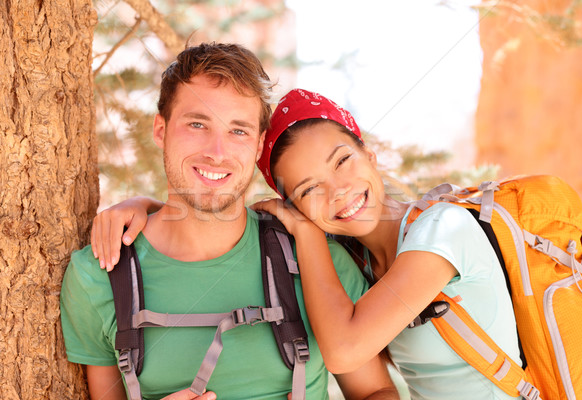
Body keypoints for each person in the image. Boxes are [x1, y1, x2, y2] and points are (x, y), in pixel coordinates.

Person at [91, 88, 522, 400]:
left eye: (343, 160)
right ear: (293, 203)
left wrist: (309, 233)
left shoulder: (442, 230)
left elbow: (343, 349)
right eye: (310, 189)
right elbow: (200, 212)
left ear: (368, 154)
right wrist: (146, 208)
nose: (338, 191)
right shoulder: (363, 265)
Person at [60, 45, 398, 400]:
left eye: (238, 131)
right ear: (161, 129)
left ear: (258, 145)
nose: (217, 152)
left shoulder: (316, 262)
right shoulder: (99, 276)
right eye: (197, 124)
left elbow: (376, 391)